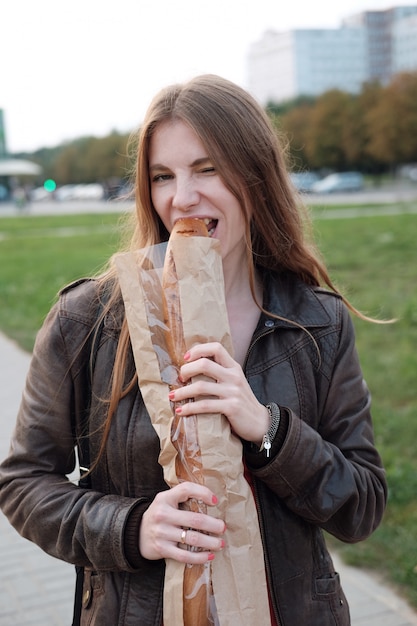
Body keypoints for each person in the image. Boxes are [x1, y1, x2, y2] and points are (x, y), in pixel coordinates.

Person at [0, 74, 387, 625]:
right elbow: (22, 485)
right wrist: (133, 528)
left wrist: (266, 428)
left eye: (207, 169)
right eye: (163, 176)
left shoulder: (316, 321)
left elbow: (362, 506)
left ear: (255, 176)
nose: (182, 197)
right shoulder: (86, 320)